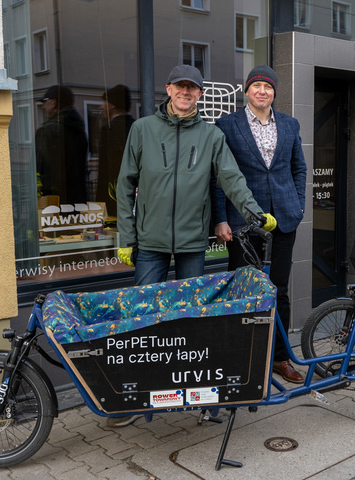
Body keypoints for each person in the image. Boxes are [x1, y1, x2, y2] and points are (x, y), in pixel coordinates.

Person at [110, 65, 275, 428]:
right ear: (168, 89)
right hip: (150, 242)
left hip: (191, 243)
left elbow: (231, 178)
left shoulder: (211, 136)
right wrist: (126, 237)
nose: (186, 93)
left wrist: (254, 211)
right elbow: (125, 185)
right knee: (142, 318)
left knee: (192, 320)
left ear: (200, 94)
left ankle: (199, 395)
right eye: (180, 87)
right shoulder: (142, 130)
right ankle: (135, 399)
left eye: (193, 88)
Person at [211, 65, 307, 384]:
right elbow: (218, 175)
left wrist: (298, 205)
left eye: (268, 86)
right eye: (256, 86)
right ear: (247, 91)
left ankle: (280, 358)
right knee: (243, 291)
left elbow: (299, 169)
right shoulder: (227, 124)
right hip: (241, 222)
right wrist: (221, 218)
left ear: (274, 92)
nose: (262, 91)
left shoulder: (290, 125)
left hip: (283, 219)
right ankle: (243, 357)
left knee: (279, 289)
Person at [35, 85, 88, 205]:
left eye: (45, 101)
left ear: (53, 103)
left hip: (54, 202)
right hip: (77, 199)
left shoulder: (48, 131)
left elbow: (40, 170)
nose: (43, 107)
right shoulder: (78, 129)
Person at [96, 84, 135, 215]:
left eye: (104, 102)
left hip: (113, 197)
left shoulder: (110, 129)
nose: (102, 107)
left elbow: (106, 169)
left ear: (112, 104)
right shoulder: (136, 127)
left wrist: (101, 203)